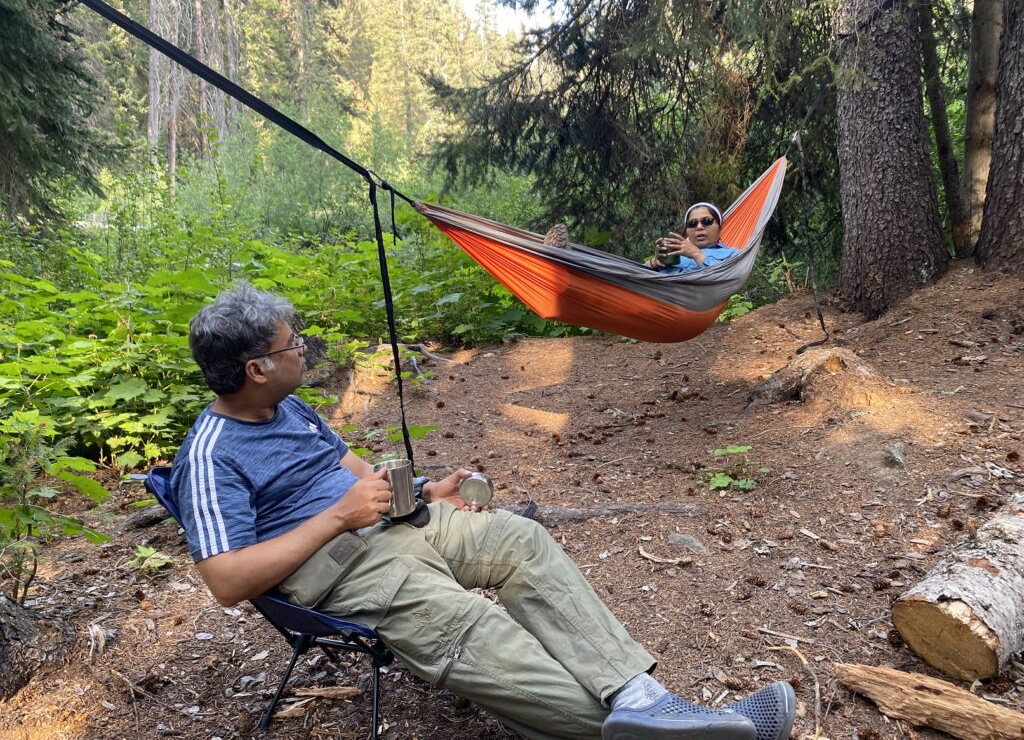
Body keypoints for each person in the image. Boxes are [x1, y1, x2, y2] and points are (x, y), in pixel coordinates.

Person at [168, 282, 796, 740]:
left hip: (390, 524)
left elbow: (353, 473)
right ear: (257, 368)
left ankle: (641, 697)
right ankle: (689, 732)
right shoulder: (211, 456)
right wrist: (336, 518)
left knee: (521, 541)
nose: (304, 349)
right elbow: (226, 580)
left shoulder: (288, 408)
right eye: (292, 344)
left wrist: (425, 492)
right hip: (341, 570)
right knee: (475, 627)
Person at [647, 202, 738, 273]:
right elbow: (640, 281)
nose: (699, 227)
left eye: (707, 221)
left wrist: (696, 254)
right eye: (692, 223)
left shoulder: (733, 254)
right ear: (687, 230)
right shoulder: (675, 255)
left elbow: (728, 277)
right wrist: (653, 263)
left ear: (719, 227)